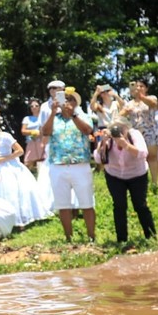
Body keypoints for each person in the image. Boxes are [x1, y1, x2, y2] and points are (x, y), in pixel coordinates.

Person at [42, 88, 96, 243]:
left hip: (79, 164)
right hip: (58, 165)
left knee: (86, 202)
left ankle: (91, 237)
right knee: (62, 204)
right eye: (64, 99)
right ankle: (68, 238)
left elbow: (87, 130)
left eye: (69, 99)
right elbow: (45, 132)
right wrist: (52, 113)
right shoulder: (55, 118)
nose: (66, 102)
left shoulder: (83, 116)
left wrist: (73, 115)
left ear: (75, 102)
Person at [0, 122, 51, 228]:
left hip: (8, 165)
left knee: (11, 191)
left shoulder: (5, 137)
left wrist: (3, 159)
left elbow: (20, 151)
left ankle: (18, 218)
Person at [94, 119, 155, 245]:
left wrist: (126, 145)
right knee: (119, 206)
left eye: (121, 128)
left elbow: (143, 153)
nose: (118, 131)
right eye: (115, 128)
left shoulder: (134, 135)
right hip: (114, 175)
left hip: (137, 174)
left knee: (140, 205)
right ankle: (122, 239)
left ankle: (151, 235)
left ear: (127, 128)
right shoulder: (109, 139)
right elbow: (98, 159)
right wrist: (103, 142)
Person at [119, 78, 158, 190]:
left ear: (146, 88)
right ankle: (141, 185)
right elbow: (120, 115)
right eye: (136, 86)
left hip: (150, 132)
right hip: (135, 134)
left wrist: (141, 96)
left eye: (141, 86)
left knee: (152, 157)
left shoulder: (151, 98)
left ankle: (155, 183)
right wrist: (126, 111)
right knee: (139, 158)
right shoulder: (129, 103)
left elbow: (153, 104)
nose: (139, 88)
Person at [21, 99, 44, 170]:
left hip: (42, 141)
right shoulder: (27, 118)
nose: (34, 107)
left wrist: (40, 134)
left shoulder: (43, 117)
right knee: (28, 163)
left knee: (43, 162)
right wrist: (33, 132)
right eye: (32, 106)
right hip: (30, 142)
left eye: (36, 106)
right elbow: (23, 131)